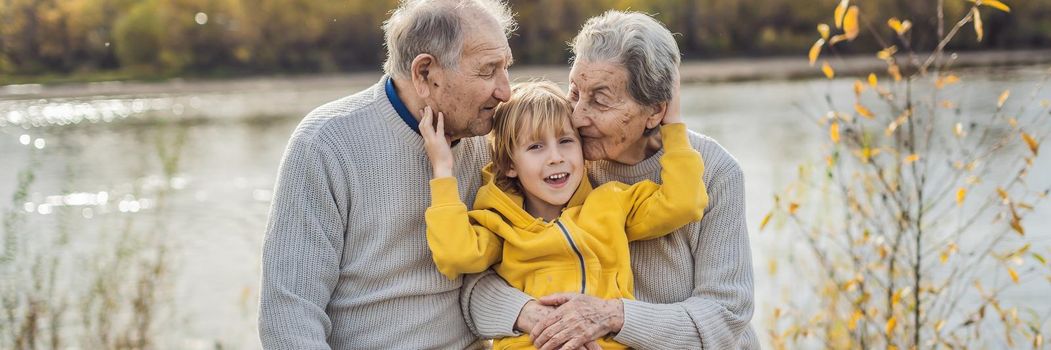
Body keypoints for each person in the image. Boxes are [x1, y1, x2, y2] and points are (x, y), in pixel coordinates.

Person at [460, 11, 761, 349]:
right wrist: (534, 315)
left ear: (656, 113)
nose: (576, 116)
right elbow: (476, 289)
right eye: (574, 92)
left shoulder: (715, 172)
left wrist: (615, 317)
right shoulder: (555, 166)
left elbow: (726, 315)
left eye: (600, 100)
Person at [257, 0, 515, 348]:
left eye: (506, 68)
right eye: (488, 71)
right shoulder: (327, 142)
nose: (505, 91)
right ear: (425, 73)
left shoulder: (494, 143)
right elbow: (289, 314)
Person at [420, 81, 707, 349]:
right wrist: (443, 171)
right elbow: (455, 256)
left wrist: (674, 126)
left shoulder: (612, 204)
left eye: (566, 141)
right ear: (509, 164)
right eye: (536, 147)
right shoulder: (500, 222)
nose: (555, 157)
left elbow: (684, 202)